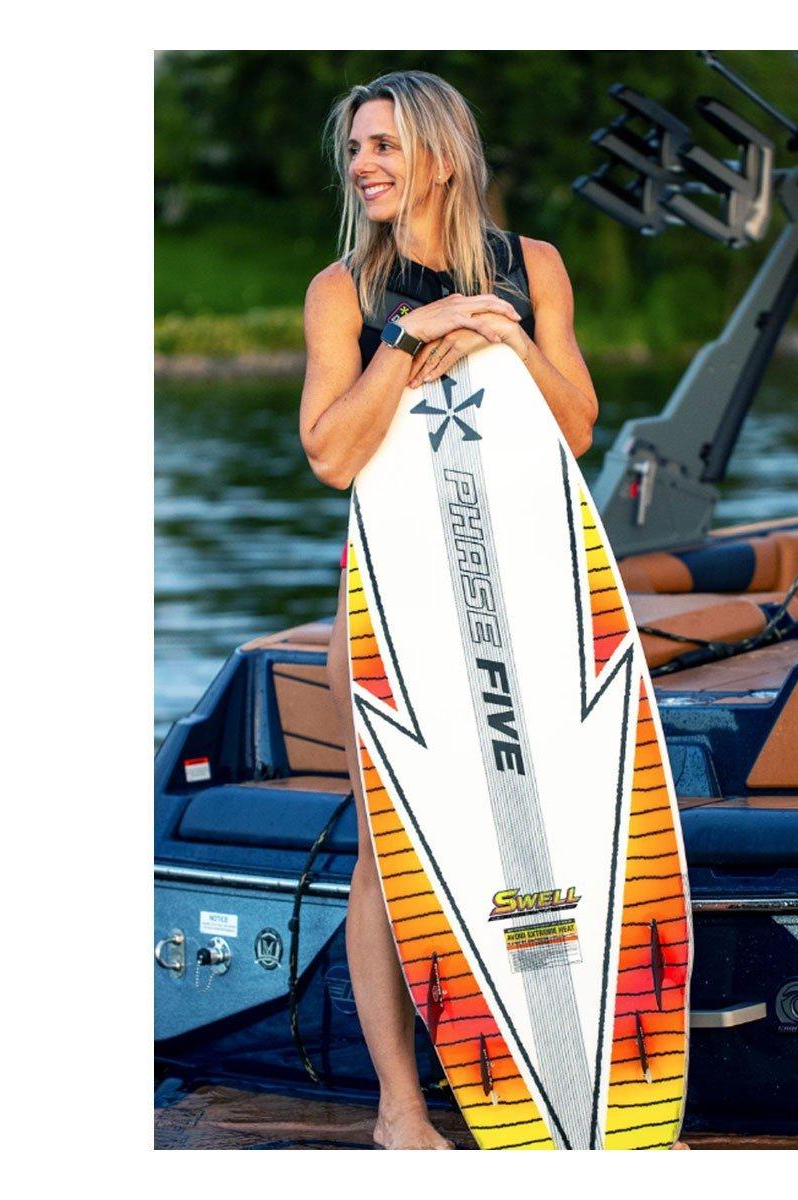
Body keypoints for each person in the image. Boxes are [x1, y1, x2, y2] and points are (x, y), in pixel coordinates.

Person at [299, 70, 600, 1150]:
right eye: (355, 149)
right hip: (394, 602)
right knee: (392, 852)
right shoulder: (344, 292)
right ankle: (400, 1109)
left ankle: (567, 1090)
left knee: (553, 828)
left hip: (523, 595)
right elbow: (332, 454)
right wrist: (410, 339)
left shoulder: (534, 267)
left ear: (440, 155)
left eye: (383, 145)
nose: (364, 165)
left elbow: (577, 428)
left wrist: (506, 337)